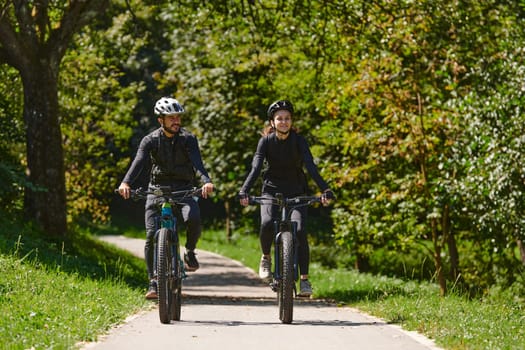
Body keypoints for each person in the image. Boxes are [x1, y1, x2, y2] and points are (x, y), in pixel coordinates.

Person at [118, 96, 214, 299]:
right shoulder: (150, 140)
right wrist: (126, 183)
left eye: (178, 117)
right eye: (171, 118)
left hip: (183, 189)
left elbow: (198, 164)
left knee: (193, 218)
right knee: (152, 235)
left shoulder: (188, 139)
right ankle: (153, 281)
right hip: (157, 190)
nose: (176, 121)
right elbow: (139, 163)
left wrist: (206, 181)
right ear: (161, 120)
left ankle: (189, 251)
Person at [238, 99, 334, 297]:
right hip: (271, 190)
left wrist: (325, 189)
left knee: (299, 230)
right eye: (279, 118)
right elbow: (256, 168)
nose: (283, 122)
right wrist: (244, 190)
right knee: (266, 223)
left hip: (296, 190)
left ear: (292, 121)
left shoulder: (299, 141)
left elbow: (310, 166)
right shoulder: (265, 141)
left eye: (287, 118)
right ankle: (266, 257)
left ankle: (305, 280)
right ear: (272, 122)